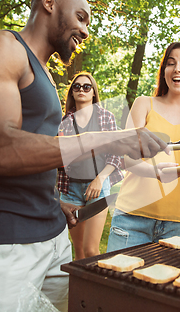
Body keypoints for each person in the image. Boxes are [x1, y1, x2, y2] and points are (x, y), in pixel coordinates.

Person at [0, 0, 167, 311]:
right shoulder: (0, 48)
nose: (84, 31)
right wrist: (113, 137)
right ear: (49, 3)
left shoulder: (47, 77)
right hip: (0, 244)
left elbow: (36, 149)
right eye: (80, 17)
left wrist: (52, 199)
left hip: (54, 236)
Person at [106, 42, 180, 251]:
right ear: (164, 71)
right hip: (132, 219)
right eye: (171, 63)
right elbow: (127, 158)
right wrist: (153, 172)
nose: (177, 69)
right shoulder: (144, 104)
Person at [57, 72, 123, 260]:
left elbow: (116, 153)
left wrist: (100, 179)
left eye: (87, 87)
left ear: (93, 92)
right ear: (72, 93)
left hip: (98, 187)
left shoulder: (106, 117)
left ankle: (97, 288)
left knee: (91, 250)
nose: (81, 90)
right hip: (70, 190)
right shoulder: (63, 122)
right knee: (78, 251)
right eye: (76, 87)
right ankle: (80, 289)